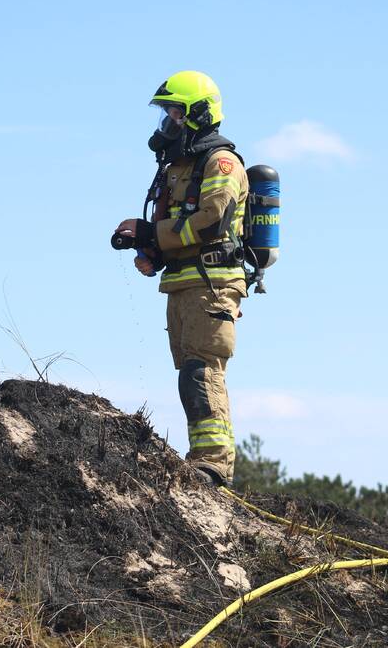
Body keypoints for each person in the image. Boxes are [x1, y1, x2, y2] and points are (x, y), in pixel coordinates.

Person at [114, 70, 249, 487]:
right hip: (183, 283)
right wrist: (150, 248)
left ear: (198, 115)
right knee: (189, 373)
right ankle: (203, 459)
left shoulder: (220, 163)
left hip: (213, 284)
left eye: (174, 113)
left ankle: (213, 465)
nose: (167, 123)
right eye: (166, 114)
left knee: (202, 371)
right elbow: (174, 223)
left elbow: (209, 222)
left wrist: (154, 234)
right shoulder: (179, 167)